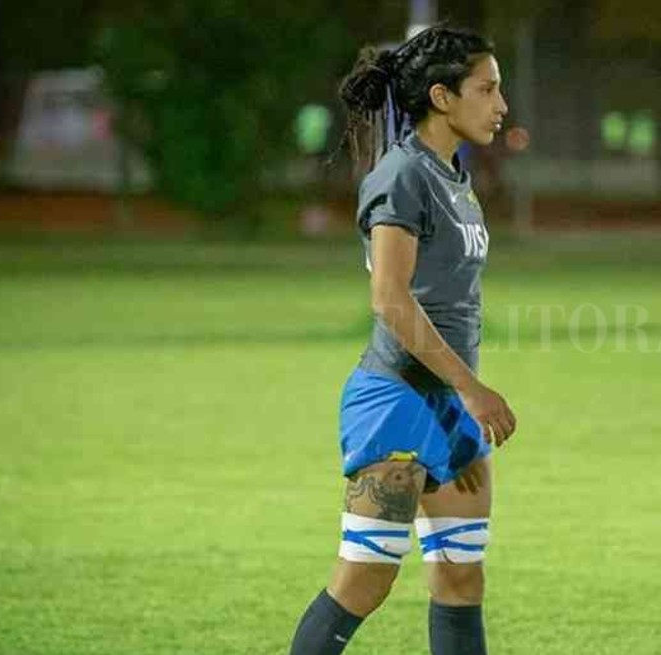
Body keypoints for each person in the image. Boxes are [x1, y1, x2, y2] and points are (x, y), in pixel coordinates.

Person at [289, 26, 516, 655]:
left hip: (447, 408)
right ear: (442, 97)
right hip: (396, 403)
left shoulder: (454, 178)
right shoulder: (402, 175)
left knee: (461, 581)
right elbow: (389, 297)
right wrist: (472, 390)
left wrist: (461, 396)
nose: (501, 105)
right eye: (488, 89)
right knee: (362, 584)